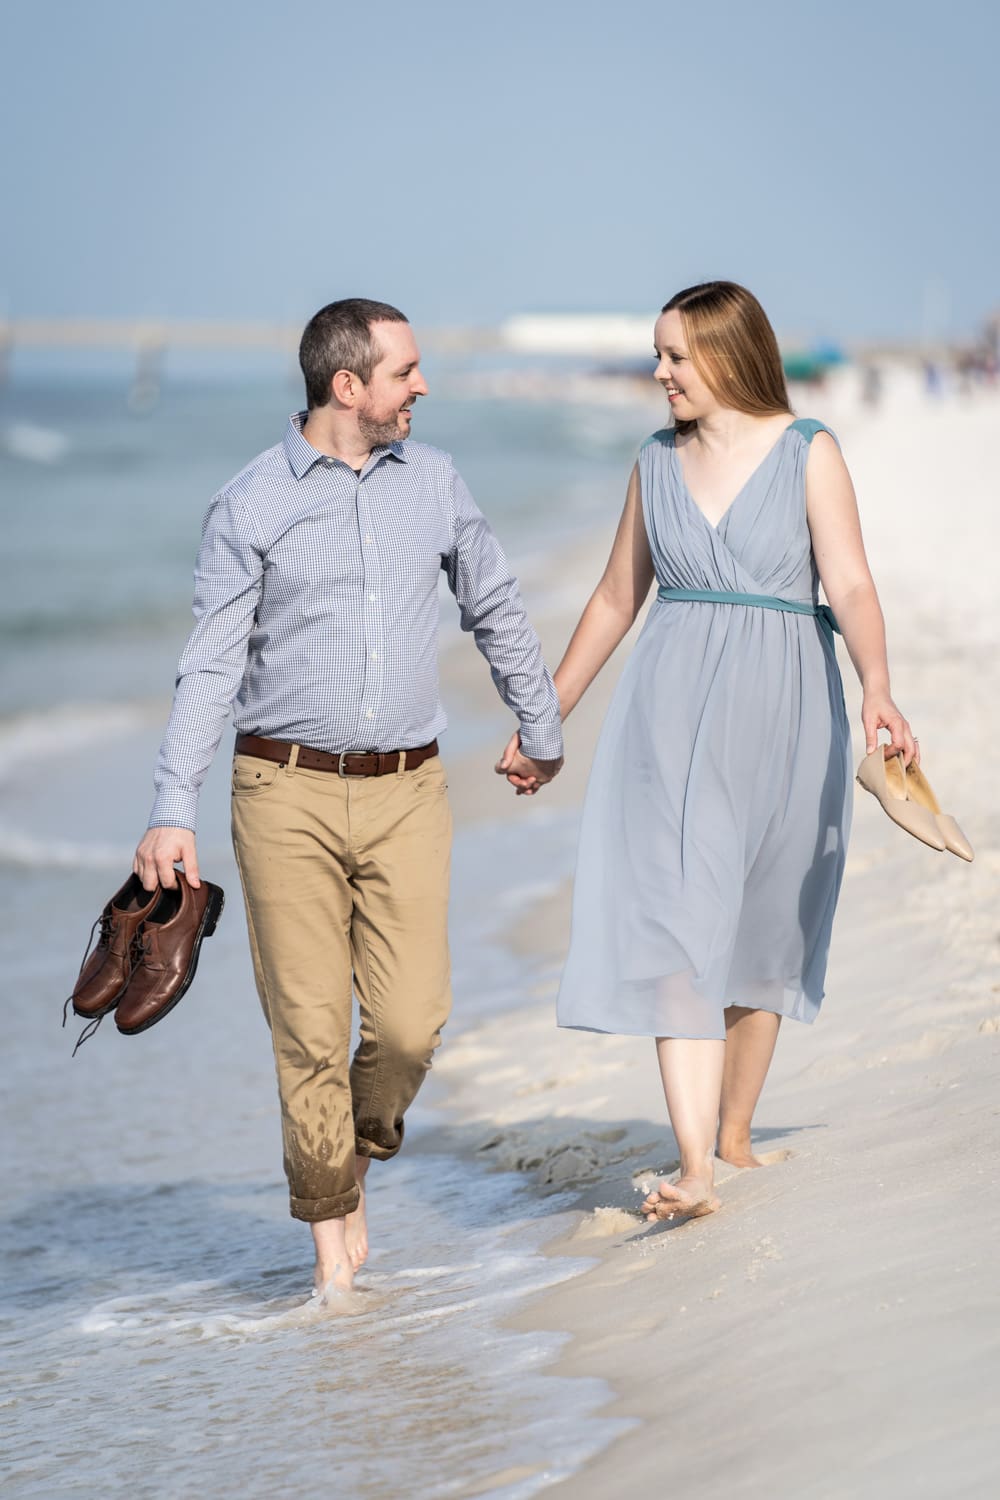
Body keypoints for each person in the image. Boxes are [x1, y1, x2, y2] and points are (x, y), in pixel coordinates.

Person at [134, 298, 563, 1293]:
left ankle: (354, 1154)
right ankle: (333, 1263)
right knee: (310, 1028)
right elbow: (207, 668)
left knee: (412, 1022)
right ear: (346, 387)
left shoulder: (439, 483)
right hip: (279, 791)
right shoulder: (249, 504)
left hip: (408, 789)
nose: (421, 386)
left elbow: (493, 606)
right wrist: (170, 807)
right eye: (405, 371)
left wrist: (539, 728)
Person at [514, 280, 916, 1222]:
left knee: (764, 927)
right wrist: (549, 716)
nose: (658, 372)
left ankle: (735, 1133)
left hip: (787, 716)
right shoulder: (653, 463)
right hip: (669, 717)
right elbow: (617, 598)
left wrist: (880, 689)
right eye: (659, 354)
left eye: (674, 356)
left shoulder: (809, 453)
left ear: (728, 356)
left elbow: (851, 585)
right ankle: (696, 1166)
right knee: (675, 935)